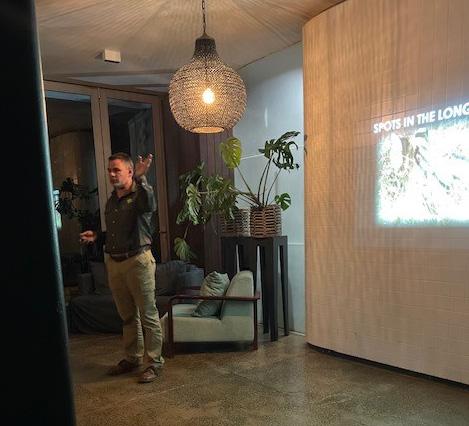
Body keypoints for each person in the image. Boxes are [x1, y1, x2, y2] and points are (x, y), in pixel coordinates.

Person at [80, 152, 164, 383]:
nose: (111, 174)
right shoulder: (111, 201)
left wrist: (142, 178)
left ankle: (154, 363)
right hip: (114, 263)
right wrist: (97, 236)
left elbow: (150, 204)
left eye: (116, 170)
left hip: (138, 261)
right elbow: (115, 233)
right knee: (127, 316)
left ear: (129, 171)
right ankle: (133, 358)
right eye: (109, 170)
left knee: (148, 315)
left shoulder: (140, 196)